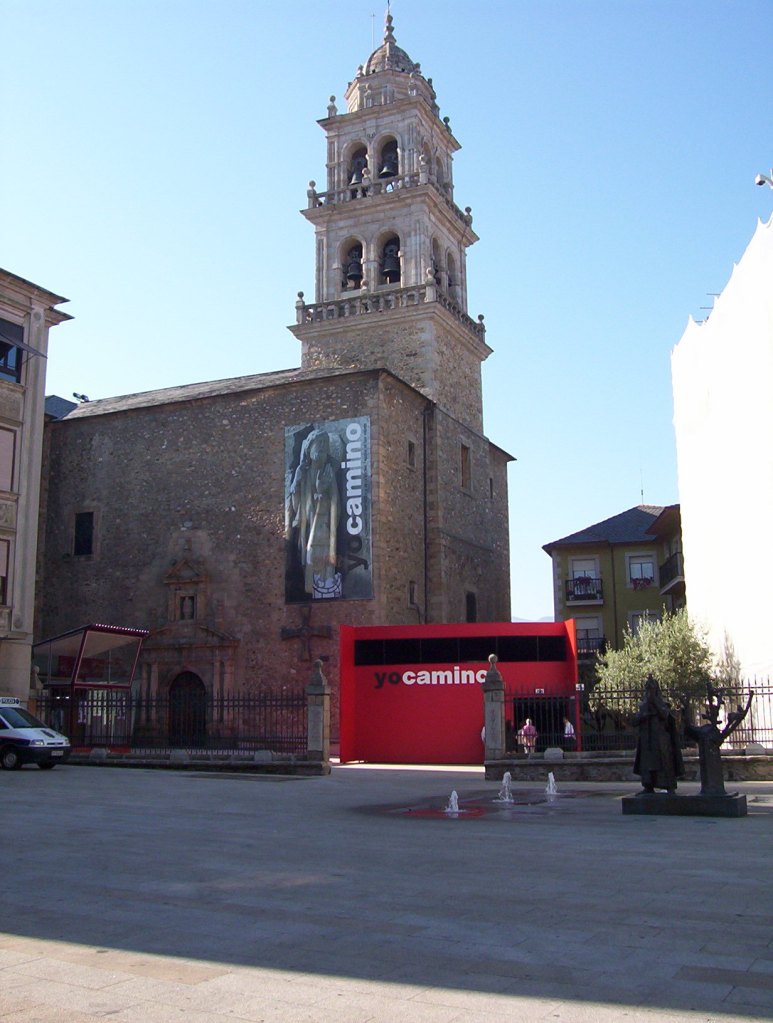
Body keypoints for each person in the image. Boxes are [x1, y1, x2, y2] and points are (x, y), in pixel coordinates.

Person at [286, 428, 342, 598]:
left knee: (324, 560)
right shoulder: (302, 472)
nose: (322, 448)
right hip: (308, 524)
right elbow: (296, 505)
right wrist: (296, 486)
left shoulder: (328, 473)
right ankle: (311, 587)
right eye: (319, 444)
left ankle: (324, 587)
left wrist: (322, 491)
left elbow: (336, 502)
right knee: (309, 558)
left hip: (324, 525)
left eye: (325, 445)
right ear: (309, 449)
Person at [632, 675, 684, 794]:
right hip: (646, 739)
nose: (649, 691)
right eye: (648, 689)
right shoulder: (643, 705)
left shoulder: (662, 704)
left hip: (660, 740)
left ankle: (669, 787)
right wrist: (643, 715)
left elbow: (664, 715)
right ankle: (648, 786)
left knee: (664, 763)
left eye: (652, 689)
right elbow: (635, 721)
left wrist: (654, 701)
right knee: (647, 764)